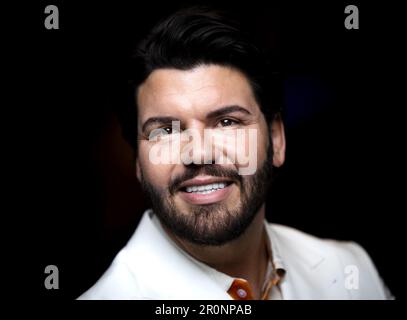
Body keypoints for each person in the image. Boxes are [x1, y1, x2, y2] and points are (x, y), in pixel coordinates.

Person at [79, 6, 392, 300]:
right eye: (166, 131)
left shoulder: (350, 270)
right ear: (138, 162)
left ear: (277, 140)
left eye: (227, 122)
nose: (198, 153)